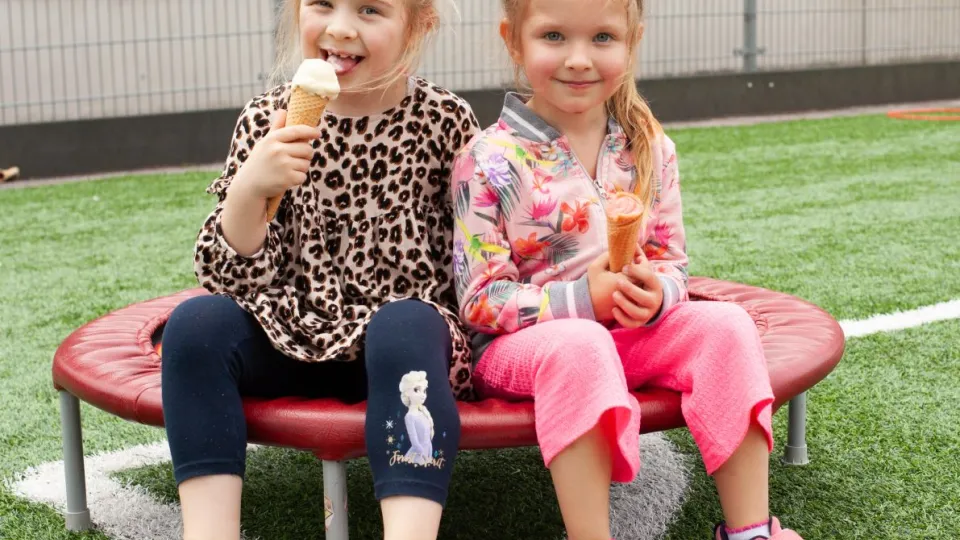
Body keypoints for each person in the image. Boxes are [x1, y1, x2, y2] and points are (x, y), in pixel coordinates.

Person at [451, 0, 803, 538]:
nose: (577, 59)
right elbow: (478, 299)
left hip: (627, 337)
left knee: (727, 326)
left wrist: (659, 293)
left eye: (602, 38)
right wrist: (580, 303)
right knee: (580, 344)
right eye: (552, 37)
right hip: (524, 350)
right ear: (513, 41)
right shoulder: (488, 157)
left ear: (632, 40)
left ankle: (751, 530)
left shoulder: (649, 146)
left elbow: (672, 263)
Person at [160, 1, 480, 539]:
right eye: (322, 5)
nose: (339, 27)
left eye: (370, 9)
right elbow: (229, 280)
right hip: (294, 335)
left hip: (407, 351)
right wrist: (249, 190)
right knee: (194, 326)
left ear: (418, 25)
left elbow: (473, 255)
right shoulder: (268, 120)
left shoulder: (445, 122)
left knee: (401, 326)